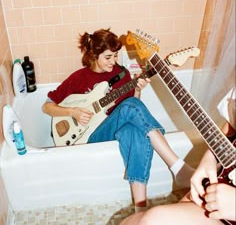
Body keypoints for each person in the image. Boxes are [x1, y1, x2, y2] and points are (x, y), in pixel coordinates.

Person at [42, 28, 194, 212]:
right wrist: (73, 112)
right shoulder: (79, 78)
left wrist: (138, 89)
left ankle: (140, 209)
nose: (113, 61)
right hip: (89, 136)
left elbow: (136, 110)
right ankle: (177, 166)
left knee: (135, 131)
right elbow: (47, 106)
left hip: (116, 130)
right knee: (130, 108)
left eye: (115, 55)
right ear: (93, 55)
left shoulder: (122, 74)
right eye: (108, 57)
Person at [121, 87, 236, 224]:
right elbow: (231, 125)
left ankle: (178, 168)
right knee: (138, 221)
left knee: (131, 109)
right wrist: (209, 157)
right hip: (225, 188)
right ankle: (178, 169)